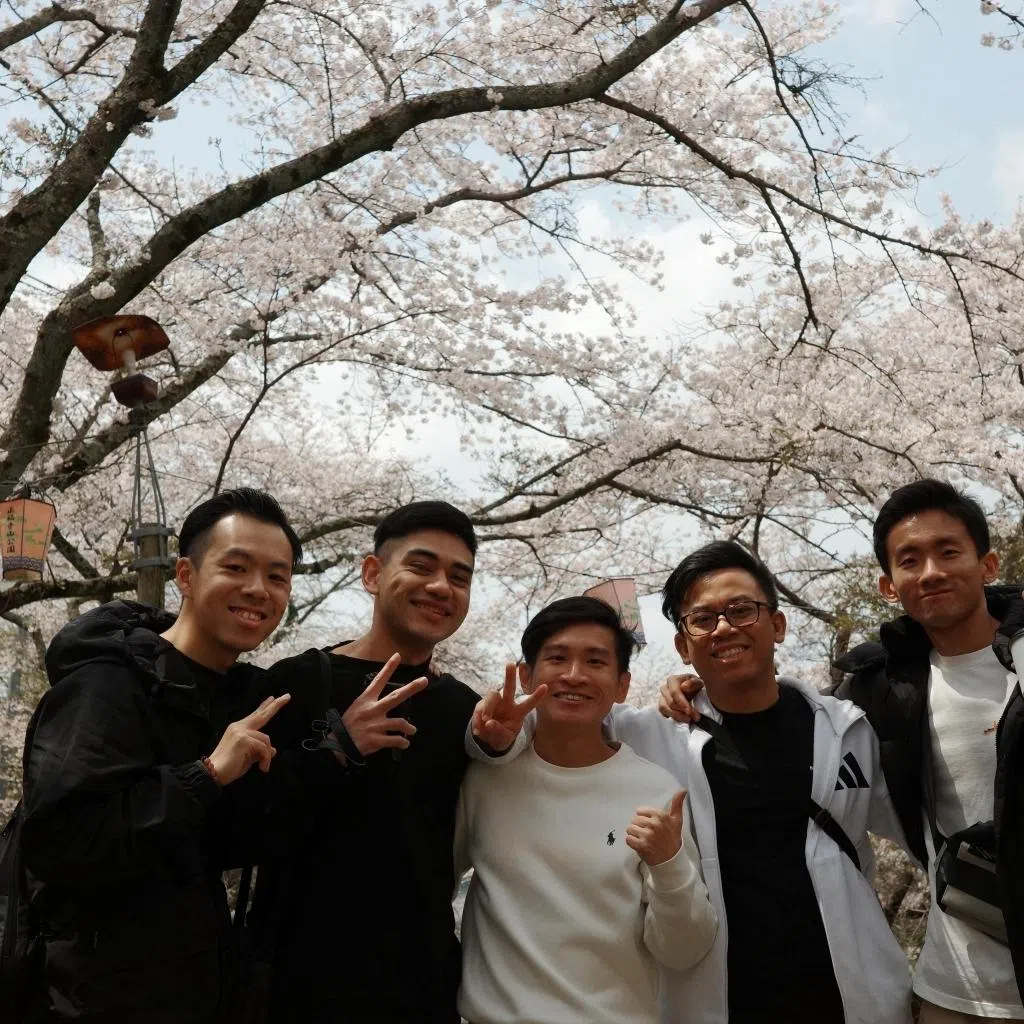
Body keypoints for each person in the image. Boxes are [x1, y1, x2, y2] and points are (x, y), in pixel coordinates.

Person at [471, 541, 912, 1024]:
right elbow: (552, 717)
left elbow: (917, 827)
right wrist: (494, 743)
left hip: (849, 991)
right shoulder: (648, 734)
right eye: (703, 619)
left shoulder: (848, 730)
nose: (724, 628)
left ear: (779, 625)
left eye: (742, 610)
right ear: (683, 646)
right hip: (718, 996)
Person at [253, 500, 543, 1024]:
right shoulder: (294, 683)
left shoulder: (464, 710)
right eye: (421, 566)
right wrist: (339, 746)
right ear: (372, 573)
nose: (440, 587)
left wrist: (498, 748)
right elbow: (244, 823)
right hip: (297, 981)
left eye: (460, 577)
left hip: (420, 985)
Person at [19, 487, 301, 1022]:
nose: (258, 590)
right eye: (236, 567)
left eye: (277, 576)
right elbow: (61, 842)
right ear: (187, 576)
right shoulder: (107, 683)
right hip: (90, 1001)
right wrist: (207, 774)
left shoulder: (233, 696)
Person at [456, 596, 716, 1024]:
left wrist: (669, 865)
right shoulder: (487, 774)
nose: (574, 676)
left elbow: (684, 950)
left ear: (622, 685)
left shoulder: (656, 791)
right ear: (525, 675)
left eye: (596, 662)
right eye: (557, 658)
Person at [832, 479, 1024, 1022]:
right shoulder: (882, 687)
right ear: (889, 586)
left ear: (987, 565)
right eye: (909, 560)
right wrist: (691, 693)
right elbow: (800, 724)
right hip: (956, 986)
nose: (932, 572)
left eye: (948, 551)